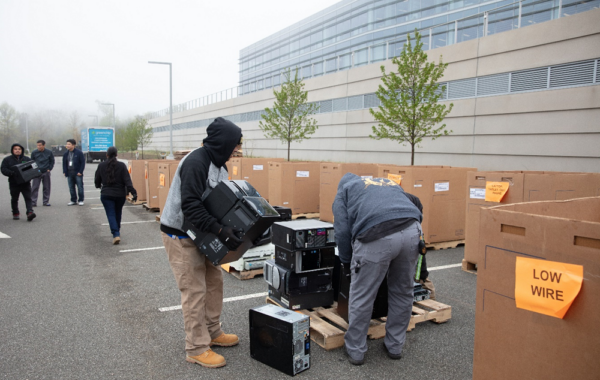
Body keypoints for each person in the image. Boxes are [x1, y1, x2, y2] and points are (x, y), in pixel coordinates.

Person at [160, 117, 243, 369]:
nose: (235, 152)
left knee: (214, 282)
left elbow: (218, 202)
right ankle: (196, 347)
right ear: (221, 143)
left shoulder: (220, 165)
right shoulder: (196, 163)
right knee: (194, 289)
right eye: (233, 146)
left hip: (203, 234)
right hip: (180, 233)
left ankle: (212, 332)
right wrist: (219, 229)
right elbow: (191, 206)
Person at [333, 174, 423, 365]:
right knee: (403, 291)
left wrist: (347, 263)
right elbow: (415, 202)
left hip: (376, 236)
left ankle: (356, 351)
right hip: (412, 229)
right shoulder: (385, 183)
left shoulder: (344, 192)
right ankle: (395, 346)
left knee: (363, 294)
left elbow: (341, 231)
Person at [94, 146, 137, 245]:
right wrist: (133, 192)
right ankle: (117, 231)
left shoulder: (101, 165)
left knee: (110, 214)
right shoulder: (121, 166)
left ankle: (115, 233)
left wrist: (98, 186)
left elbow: (97, 180)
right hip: (120, 194)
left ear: (106, 155)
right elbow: (127, 181)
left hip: (106, 193)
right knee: (118, 213)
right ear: (117, 155)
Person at [1, 143, 36, 221]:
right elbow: (3, 169)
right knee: (14, 198)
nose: (17, 150)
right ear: (12, 150)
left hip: (25, 183)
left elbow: (33, 168)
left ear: (22, 150)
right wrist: (11, 173)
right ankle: (15, 212)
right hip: (14, 183)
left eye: (19, 149)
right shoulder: (7, 160)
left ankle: (30, 212)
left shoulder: (26, 159)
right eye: (15, 149)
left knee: (28, 198)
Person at [31, 139, 55, 207]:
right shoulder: (34, 152)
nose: (38, 146)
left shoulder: (49, 152)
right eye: (37, 145)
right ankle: (33, 202)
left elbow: (52, 161)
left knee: (46, 187)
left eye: (40, 145)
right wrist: (34, 170)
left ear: (44, 145)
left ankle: (45, 201)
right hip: (37, 172)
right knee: (34, 187)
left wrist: (49, 169)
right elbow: (32, 162)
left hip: (45, 171)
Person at [62, 138, 85, 206]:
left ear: (73, 145)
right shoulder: (66, 153)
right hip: (69, 173)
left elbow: (82, 163)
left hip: (77, 173)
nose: (67, 145)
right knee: (71, 187)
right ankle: (73, 200)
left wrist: (80, 171)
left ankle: (80, 200)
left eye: (69, 144)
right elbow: (64, 163)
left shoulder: (79, 152)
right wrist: (64, 171)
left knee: (80, 187)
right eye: (67, 144)